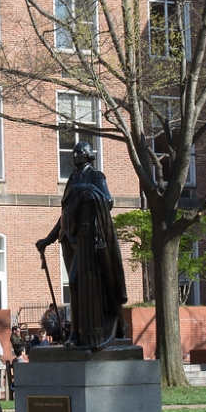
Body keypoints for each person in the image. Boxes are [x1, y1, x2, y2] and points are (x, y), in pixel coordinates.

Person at [35, 142, 129, 348]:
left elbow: (108, 201)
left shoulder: (95, 176)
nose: (74, 155)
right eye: (73, 152)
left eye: (79, 152)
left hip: (89, 240)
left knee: (81, 282)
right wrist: (48, 239)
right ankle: (76, 333)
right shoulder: (72, 178)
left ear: (89, 156)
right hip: (69, 239)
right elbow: (66, 214)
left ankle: (88, 331)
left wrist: (86, 190)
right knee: (75, 287)